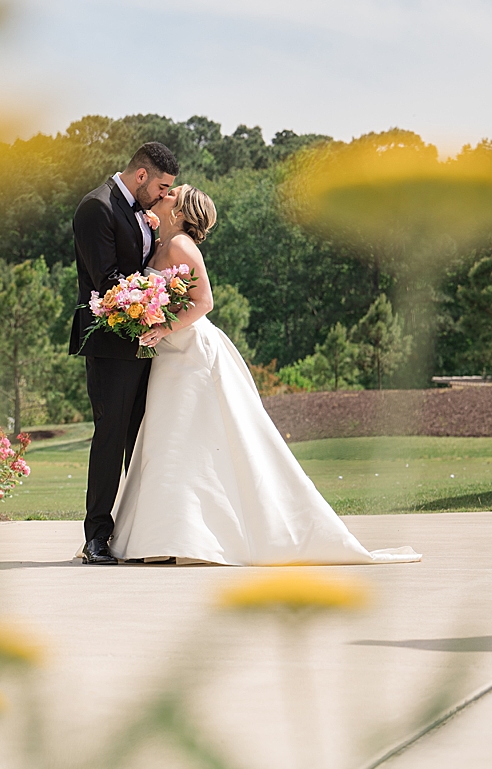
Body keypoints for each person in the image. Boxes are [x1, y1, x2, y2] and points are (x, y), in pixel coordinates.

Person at [108, 184, 419, 565]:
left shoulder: (181, 247)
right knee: (168, 440)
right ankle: (164, 536)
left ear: (182, 211)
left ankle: (182, 538)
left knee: (181, 438)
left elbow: (205, 301)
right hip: (169, 355)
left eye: (175, 193)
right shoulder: (160, 242)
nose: (167, 192)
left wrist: (162, 329)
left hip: (190, 353)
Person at [69, 142, 178, 565]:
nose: (165, 196)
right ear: (141, 176)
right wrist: (161, 298)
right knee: (111, 437)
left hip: (144, 339)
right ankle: (96, 536)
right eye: (162, 187)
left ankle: (140, 536)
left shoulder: (141, 210)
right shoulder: (95, 208)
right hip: (110, 343)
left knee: (141, 439)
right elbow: (109, 280)